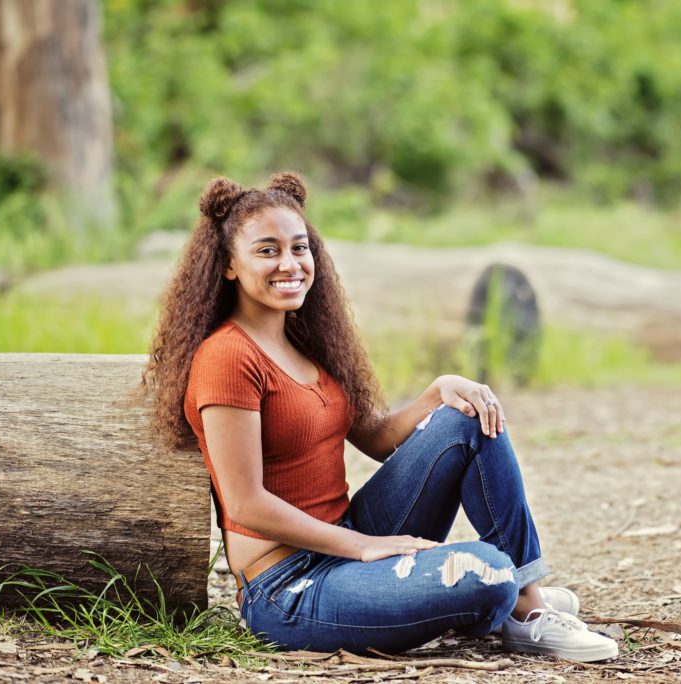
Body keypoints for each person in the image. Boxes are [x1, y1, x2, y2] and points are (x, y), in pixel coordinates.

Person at [142, 172, 618, 662]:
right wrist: (360, 546)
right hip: (289, 587)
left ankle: (527, 606)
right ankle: (506, 591)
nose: (290, 263)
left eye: (299, 248)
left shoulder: (308, 344)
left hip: (347, 535)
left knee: (468, 418)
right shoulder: (226, 357)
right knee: (485, 572)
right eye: (267, 251)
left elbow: (375, 436)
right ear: (227, 266)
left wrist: (436, 395)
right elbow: (246, 504)